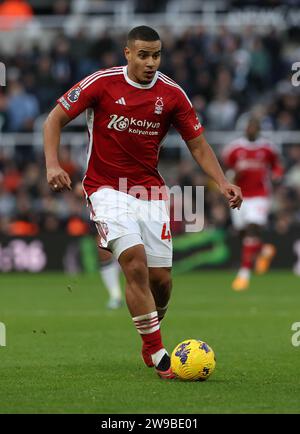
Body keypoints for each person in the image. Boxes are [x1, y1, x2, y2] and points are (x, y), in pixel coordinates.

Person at [43, 26, 242, 379]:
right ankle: (157, 353)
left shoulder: (173, 95)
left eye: (157, 55)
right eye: (144, 55)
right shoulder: (101, 84)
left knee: (161, 281)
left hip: (149, 192)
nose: (151, 62)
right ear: (128, 54)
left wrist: (222, 180)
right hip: (104, 188)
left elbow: (198, 144)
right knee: (133, 262)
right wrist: (53, 164)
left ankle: (150, 324)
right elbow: (54, 119)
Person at [223, 118, 283, 291]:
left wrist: (277, 175)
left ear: (259, 129)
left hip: (260, 195)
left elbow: (277, 166)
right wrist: (233, 175)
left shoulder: (267, 148)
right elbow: (226, 169)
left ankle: (244, 274)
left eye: (255, 127)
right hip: (240, 195)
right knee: (243, 233)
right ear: (245, 128)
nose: (252, 129)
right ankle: (264, 249)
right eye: (250, 126)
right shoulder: (234, 149)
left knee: (251, 228)